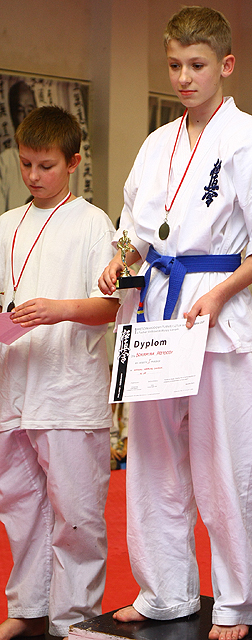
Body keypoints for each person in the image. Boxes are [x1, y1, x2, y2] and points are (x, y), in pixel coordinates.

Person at [99, 6, 252, 640]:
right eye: (175, 65)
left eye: (197, 65)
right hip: (156, 312)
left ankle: (238, 600)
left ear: (226, 65)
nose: (184, 78)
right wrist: (119, 262)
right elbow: (133, 229)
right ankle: (164, 592)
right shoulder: (156, 143)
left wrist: (220, 295)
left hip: (216, 311)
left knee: (226, 462)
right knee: (152, 463)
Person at [0, 105, 120, 640]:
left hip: (69, 388)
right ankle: (28, 609)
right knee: (19, 505)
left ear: (73, 162)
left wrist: (58, 309)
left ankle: (73, 619)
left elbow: (110, 306)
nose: (33, 176)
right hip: (13, 383)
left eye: (45, 165)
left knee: (76, 513)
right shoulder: (6, 224)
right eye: (25, 164)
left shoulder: (94, 223)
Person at [0, 81, 37, 214]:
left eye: (30, 110)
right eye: (20, 111)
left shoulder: (55, 158)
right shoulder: (6, 161)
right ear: (12, 115)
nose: (27, 117)